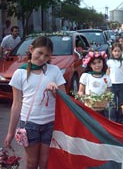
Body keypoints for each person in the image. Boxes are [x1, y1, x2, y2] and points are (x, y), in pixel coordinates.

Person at [4, 36, 66, 169]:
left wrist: (54, 91)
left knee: (45, 161)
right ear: (31, 49)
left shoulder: (54, 71)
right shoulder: (19, 73)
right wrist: (10, 132)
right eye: (40, 53)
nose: (42, 58)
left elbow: (64, 99)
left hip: (50, 123)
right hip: (29, 125)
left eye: (47, 55)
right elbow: (16, 104)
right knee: (32, 162)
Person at [78, 50, 112, 117]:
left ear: (103, 62)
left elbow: (108, 93)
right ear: (90, 65)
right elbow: (80, 92)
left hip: (103, 110)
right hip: (89, 110)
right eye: (94, 63)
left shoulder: (107, 78)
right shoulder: (86, 76)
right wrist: (85, 98)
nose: (97, 65)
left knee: (102, 127)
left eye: (99, 62)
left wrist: (104, 99)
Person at [106, 42, 123, 123]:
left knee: (121, 103)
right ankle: (113, 120)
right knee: (112, 104)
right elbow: (108, 73)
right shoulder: (109, 62)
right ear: (112, 52)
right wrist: (105, 83)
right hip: (112, 85)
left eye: (119, 51)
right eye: (115, 51)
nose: (117, 53)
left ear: (121, 52)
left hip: (121, 85)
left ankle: (120, 119)